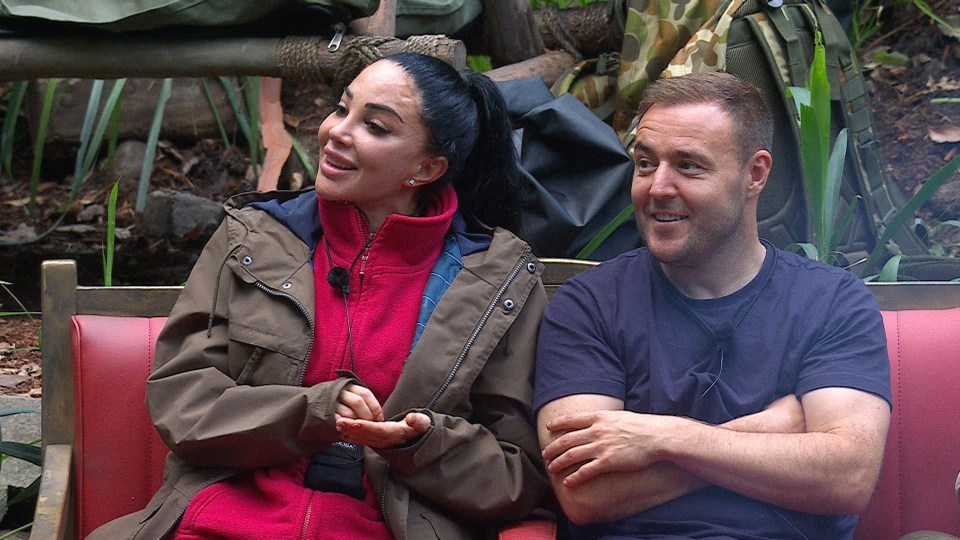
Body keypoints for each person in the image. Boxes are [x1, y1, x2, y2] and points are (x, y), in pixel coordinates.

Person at [89, 52, 548, 540]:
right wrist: (311, 412)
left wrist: (420, 443)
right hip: (221, 520)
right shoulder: (253, 238)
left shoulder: (497, 280)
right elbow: (183, 402)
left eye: (375, 126)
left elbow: (517, 475)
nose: (337, 132)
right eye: (341, 108)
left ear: (427, 167)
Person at [533, 72, 892, 539]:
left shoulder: (831, 303)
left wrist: (662, 438)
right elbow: (584, 494)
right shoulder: (589, 306)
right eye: (645, 163)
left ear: (754, 175)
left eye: (688, 166)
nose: (657, 187)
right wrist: (772, 428)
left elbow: (847, 477)